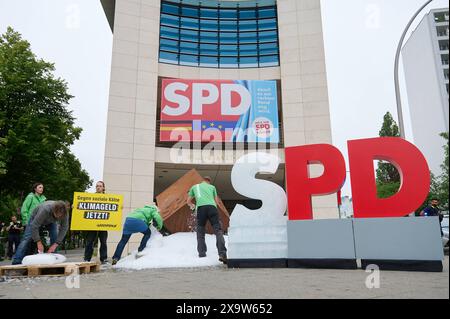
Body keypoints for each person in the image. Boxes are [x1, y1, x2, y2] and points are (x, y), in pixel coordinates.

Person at [12, 201, 69, 265]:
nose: (58, 217)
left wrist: (56, 244)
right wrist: (38, 242)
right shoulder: (45, 209)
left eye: (60, 216)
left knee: (54, 236)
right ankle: (17, 260)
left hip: (51, 222)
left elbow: (64, 228)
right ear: (53, 210)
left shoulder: (65, 213)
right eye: (57, 215)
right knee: (27, 238)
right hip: (35, 219)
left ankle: (53, 260)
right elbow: (35, 225)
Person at [187, 176, 227, 264]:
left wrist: (193, 206)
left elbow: (188, 201)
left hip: (201, 209)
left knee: (200, 232)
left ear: (203, 181)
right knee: (218, 231)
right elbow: (216, 201)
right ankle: (222, 254)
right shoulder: (212, 187)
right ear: (209, 181)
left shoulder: (195, 187)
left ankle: (202, 253)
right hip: (212, 208)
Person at [84, 181, 109, 264]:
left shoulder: (108, 198)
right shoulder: (91, 197)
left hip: (103, 224)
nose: (98, 187)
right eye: (97, 186)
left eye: (100, 186)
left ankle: (103, 258)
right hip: (92, 224)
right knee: (89, 242)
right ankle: (87, 258)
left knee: (103, 242)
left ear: (103, 188)